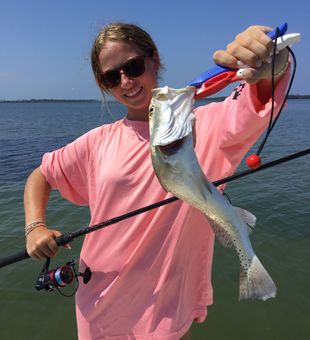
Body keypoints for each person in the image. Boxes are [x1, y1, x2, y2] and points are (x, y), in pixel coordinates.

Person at [24, 22, 290, 340]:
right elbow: (41, 175)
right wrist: (34, 226)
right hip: (97, 303)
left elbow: (254, 101)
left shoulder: (206, 126)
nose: (126, 81)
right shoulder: (96, 142)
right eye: (112, 77)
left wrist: (272, 65)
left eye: (133, 66)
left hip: (166, 309)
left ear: (154, 60)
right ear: (103, 84)